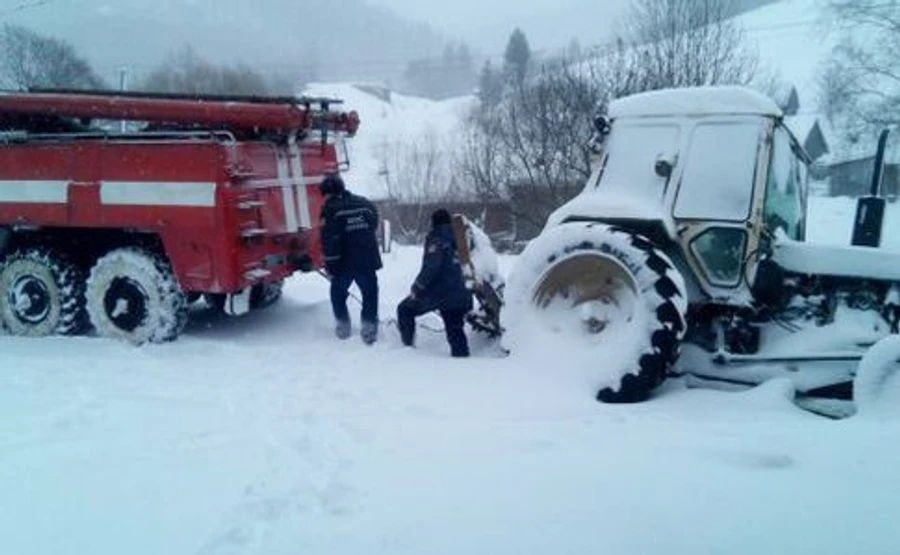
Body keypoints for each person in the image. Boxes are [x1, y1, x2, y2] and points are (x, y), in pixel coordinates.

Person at [397, 209, 473, 357]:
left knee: (404, 310)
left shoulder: (437, 238)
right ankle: (463, 363)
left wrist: (417, 287)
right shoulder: (462, 237)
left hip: (442, 293)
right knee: (455, 329)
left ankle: (407, 350)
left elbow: (431, 267)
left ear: (433, 223)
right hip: (463, 292)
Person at [319, 173, 382, 344]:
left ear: (328, 193)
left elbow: (330, 240)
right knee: (370, 294)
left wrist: (330, 265)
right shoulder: (365, 203)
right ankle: (369, 328)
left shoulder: (330, 209)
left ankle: (343, 327)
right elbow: (374, 224)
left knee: (338, 294)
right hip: (367, 259)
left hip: (344, 263)